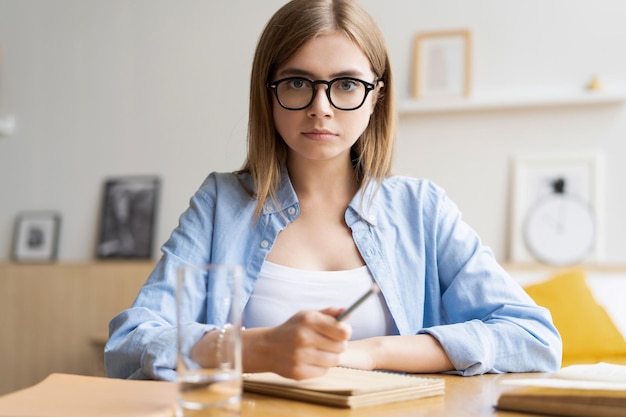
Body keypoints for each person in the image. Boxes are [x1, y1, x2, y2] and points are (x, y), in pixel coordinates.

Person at [105, 0, 561, 381]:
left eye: (345, 85)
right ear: (268, 92)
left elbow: (534, 338)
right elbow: (130, 343)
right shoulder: (221, 203)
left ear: (377, 95)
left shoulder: (422, 209)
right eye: (298, 82)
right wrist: (258, 349)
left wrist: (370, 353)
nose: (320, 109)